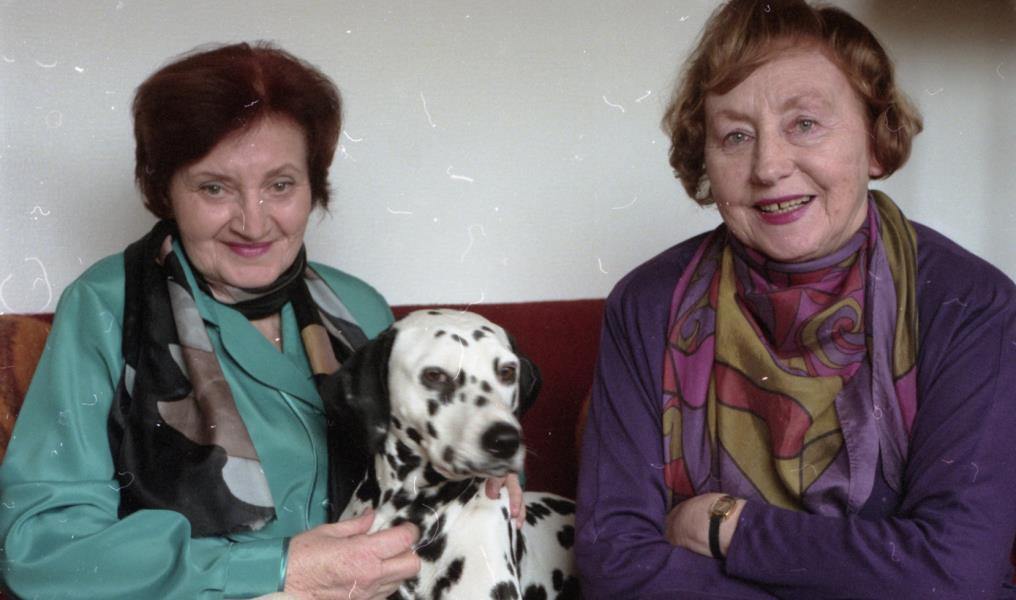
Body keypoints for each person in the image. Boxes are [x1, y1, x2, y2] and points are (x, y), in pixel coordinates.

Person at [0, 42, 523, 599]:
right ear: (165, 190)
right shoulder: (108, 305)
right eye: (214, 187)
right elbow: (41, 548)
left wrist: (480, 470)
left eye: (280, 185)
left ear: (313, 185)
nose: (253, 223)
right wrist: (274, 568)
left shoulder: (360, 310)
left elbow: (419, 471)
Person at [575, 1, 1016, 598]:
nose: (768, 166)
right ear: (705, 159)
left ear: (876, 141)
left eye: (804, 124)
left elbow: (953, 574)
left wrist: (729, 526)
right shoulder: (646, 305)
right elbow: (614, 563)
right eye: (735, 136)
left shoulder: (972, 304)